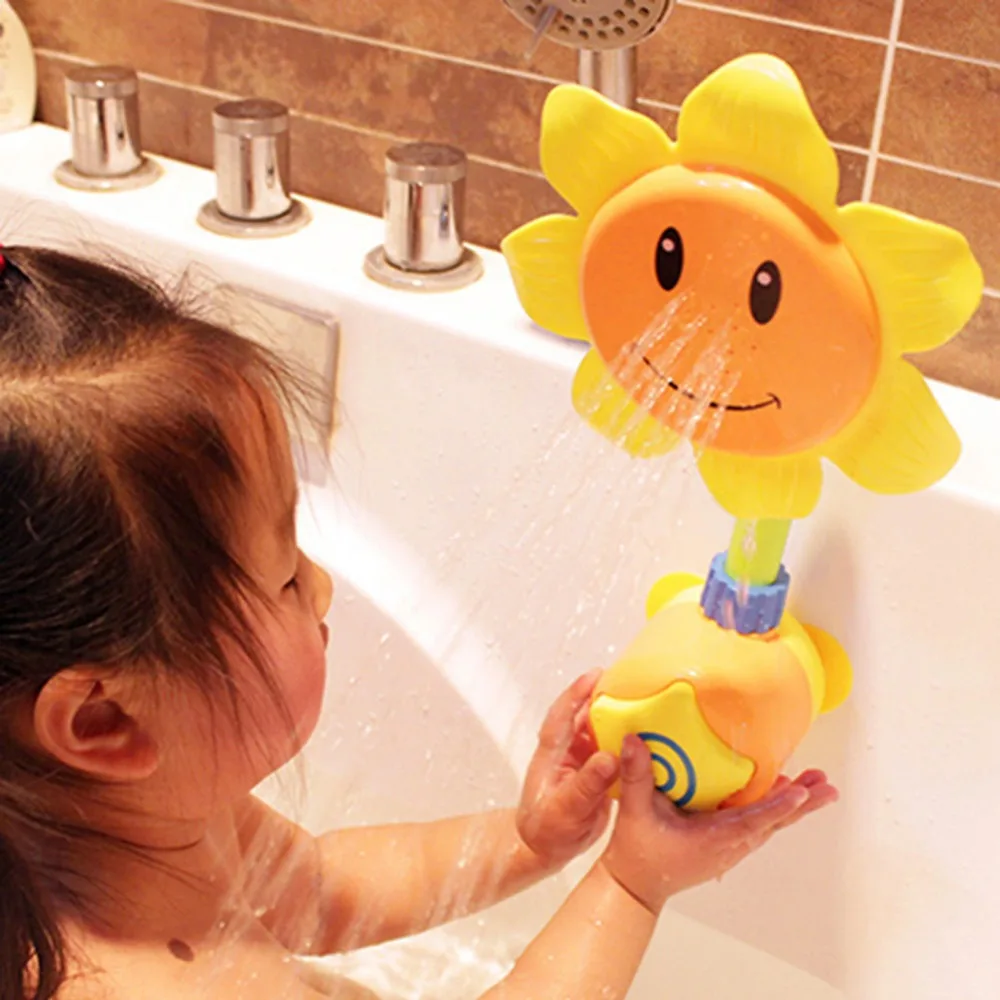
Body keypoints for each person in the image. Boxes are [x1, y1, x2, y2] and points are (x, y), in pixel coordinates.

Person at [0, 245, 837, 1000]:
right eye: (285, 578)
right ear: (104, 721)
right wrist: (630, 885)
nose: (323, 586)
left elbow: (316, 888)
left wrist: (528, 841)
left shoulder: (133, 817)